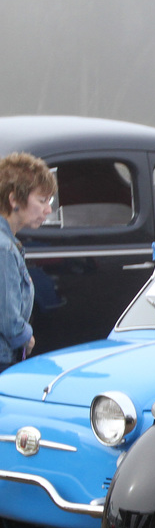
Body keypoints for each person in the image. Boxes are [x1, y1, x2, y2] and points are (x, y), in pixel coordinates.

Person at [0, 152, 55, 369]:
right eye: (42, 200)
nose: (48, 209)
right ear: (14, 199)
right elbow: (7, 317)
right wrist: (26, 337)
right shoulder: (4, 248)